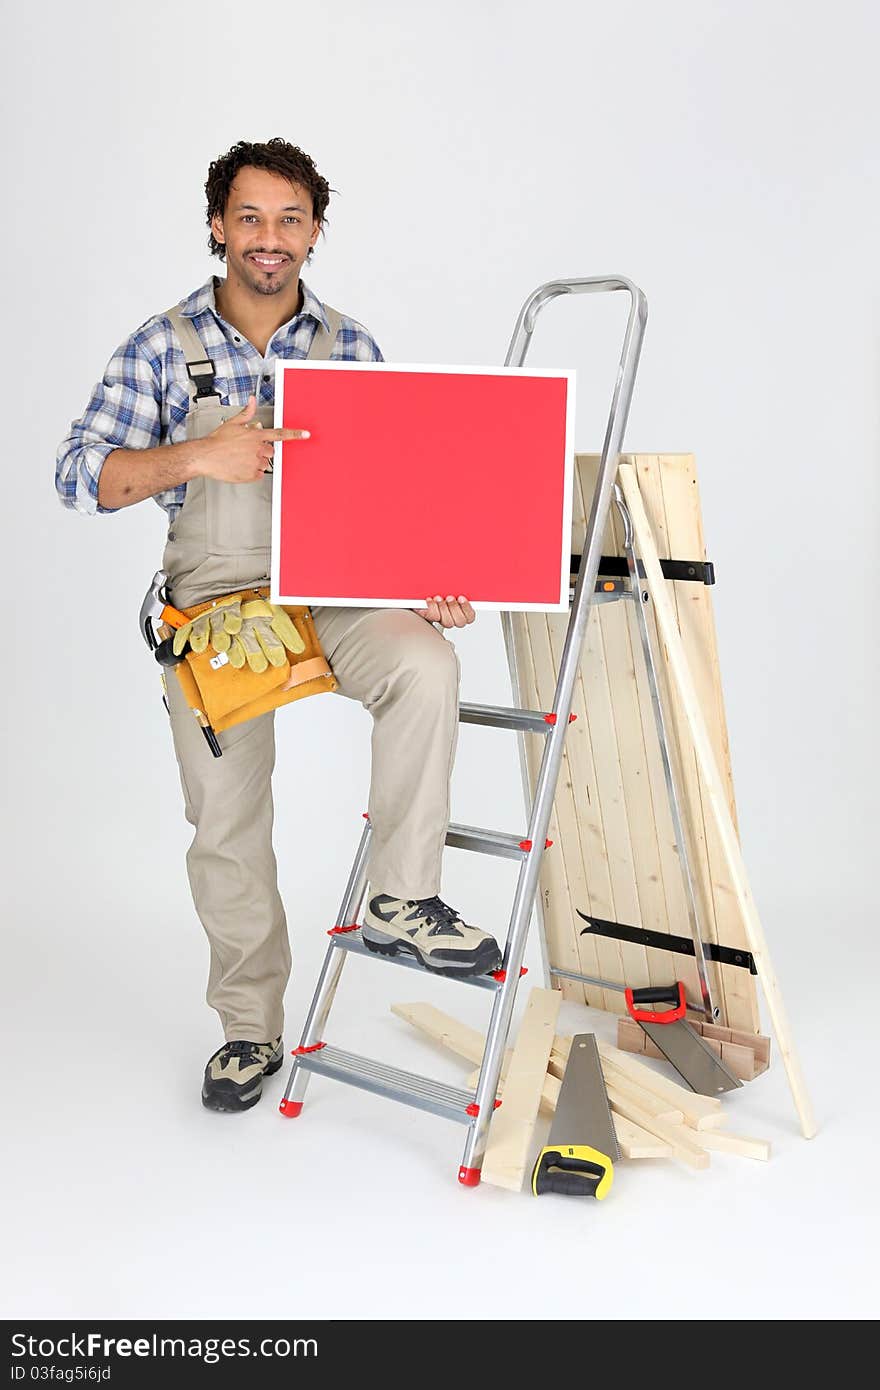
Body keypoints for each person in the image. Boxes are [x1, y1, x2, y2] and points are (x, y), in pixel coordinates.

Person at [56, 137, 502, 1114]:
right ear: (218, 226)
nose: (269, 238)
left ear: (314, 232)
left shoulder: (350, 345)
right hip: (217, 605)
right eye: (250, 218)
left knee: (426, 661)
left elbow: (396, 501)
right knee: (226, 821)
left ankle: (400, 894)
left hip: (334, 590)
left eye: (289, 220)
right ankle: (250, 1030)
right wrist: (196, 456)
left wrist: (430, 577)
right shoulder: (161, 345)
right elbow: (77, 476)